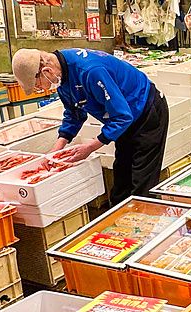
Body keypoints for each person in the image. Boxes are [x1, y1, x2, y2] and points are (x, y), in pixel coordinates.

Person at [11, 48, 169, 204]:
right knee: (122, 180)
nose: (43, 90)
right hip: (124, 120)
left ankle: (144, 221)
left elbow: (122, 116)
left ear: (47, 71)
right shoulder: (61, 76)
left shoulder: (90, 70)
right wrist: (55, 151)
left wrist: (91, 147)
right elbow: (74, 113)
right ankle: (120, 220)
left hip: (146, 112)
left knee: (142, 183)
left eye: (38, 85)